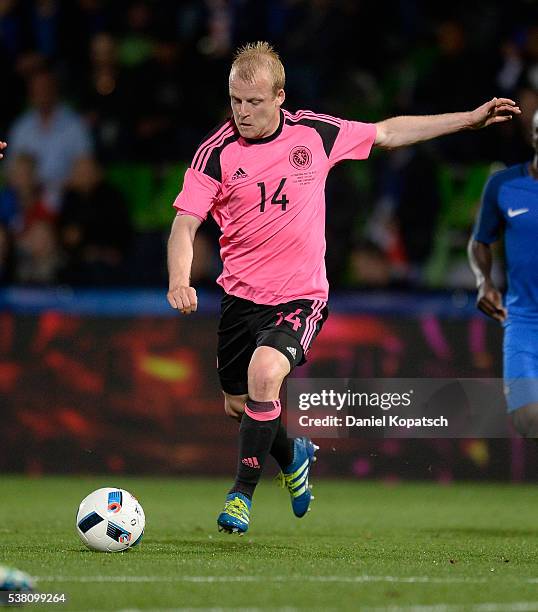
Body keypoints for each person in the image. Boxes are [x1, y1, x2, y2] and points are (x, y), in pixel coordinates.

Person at [167, 41, 520, 535]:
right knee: (238, 405)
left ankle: (240, 497)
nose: (242, 113)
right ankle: (294, 457)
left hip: (300, 295)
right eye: (236, 102)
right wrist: (179, 280)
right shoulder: (216, 153)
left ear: (279, 97)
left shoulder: (314, 133)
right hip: (241, 299)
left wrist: (467, 119)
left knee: (265, 374)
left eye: (254, 102)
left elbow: (389, 132)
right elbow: (185, 224)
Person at [468, 108, 538, 436]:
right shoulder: (504, 185)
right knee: (527, 419)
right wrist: (484, 282)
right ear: (533, 137)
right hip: (524, 318)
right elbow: (480, 242)